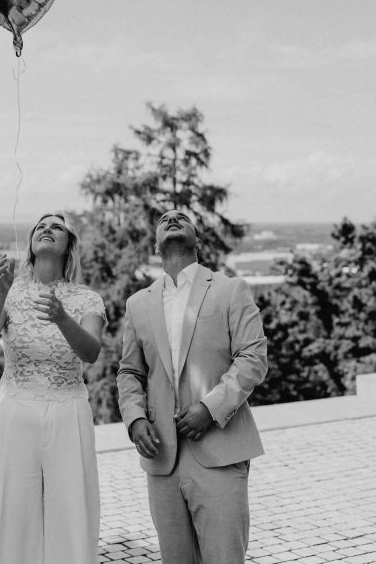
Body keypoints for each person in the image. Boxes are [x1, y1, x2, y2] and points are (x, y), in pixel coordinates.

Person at [117, 209, 268, 564]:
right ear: (156, 247)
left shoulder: (230, 290)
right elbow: (129, 372)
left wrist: (210, 408)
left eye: (182, 217)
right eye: (164, 219)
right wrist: (135, 419)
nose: (172, 218)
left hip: (220, 450)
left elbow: (253, 357)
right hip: (161, 458)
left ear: (198, 240)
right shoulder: (138, 304)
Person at [0, 212, 106, 564]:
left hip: (68, 412)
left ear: (68, 245)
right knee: (11, 509)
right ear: (31, 243)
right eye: (41, 226)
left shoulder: (87, 298)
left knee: (72, 510)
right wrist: (0, 292)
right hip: (16, 410)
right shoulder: (11, 291)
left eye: (56, 227)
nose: (47, 229)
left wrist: (62, 318)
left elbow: (91, 352)